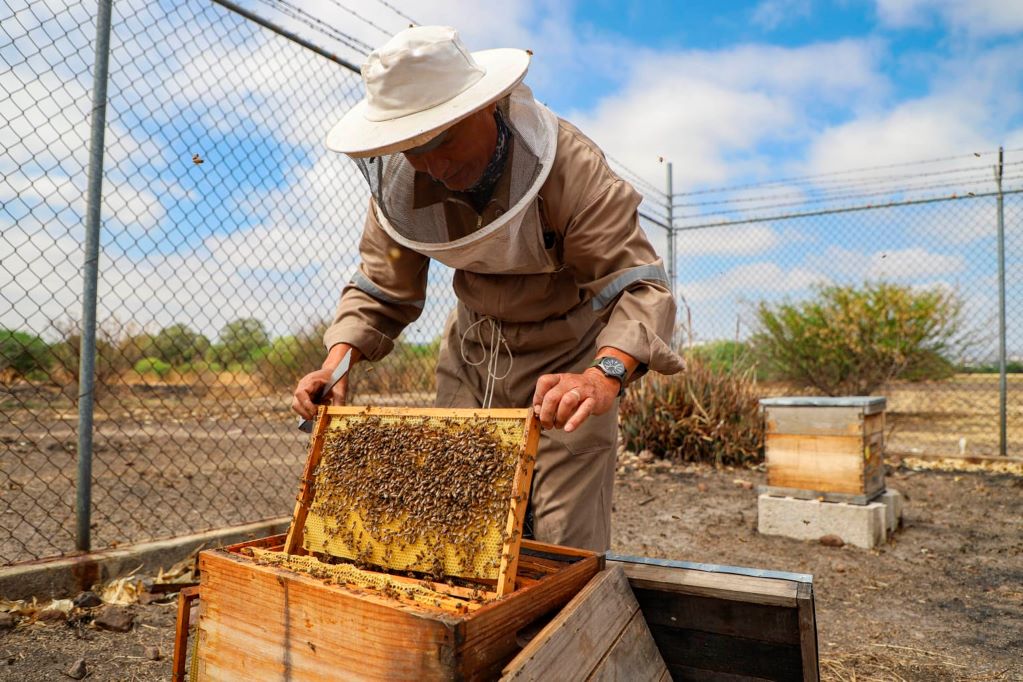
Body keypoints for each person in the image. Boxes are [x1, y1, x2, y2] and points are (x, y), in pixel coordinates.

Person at [292, 25, 683, 553]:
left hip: (569, 359)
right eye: (411, 149)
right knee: (457, 526)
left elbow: (637, 285)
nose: (432, 165)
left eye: (442, 139)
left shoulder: (572, 166)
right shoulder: (401, 188)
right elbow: (383, 286)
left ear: (488, 107)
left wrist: (602, 374)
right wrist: (335, 364)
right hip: (472, 354)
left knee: (565, 542)